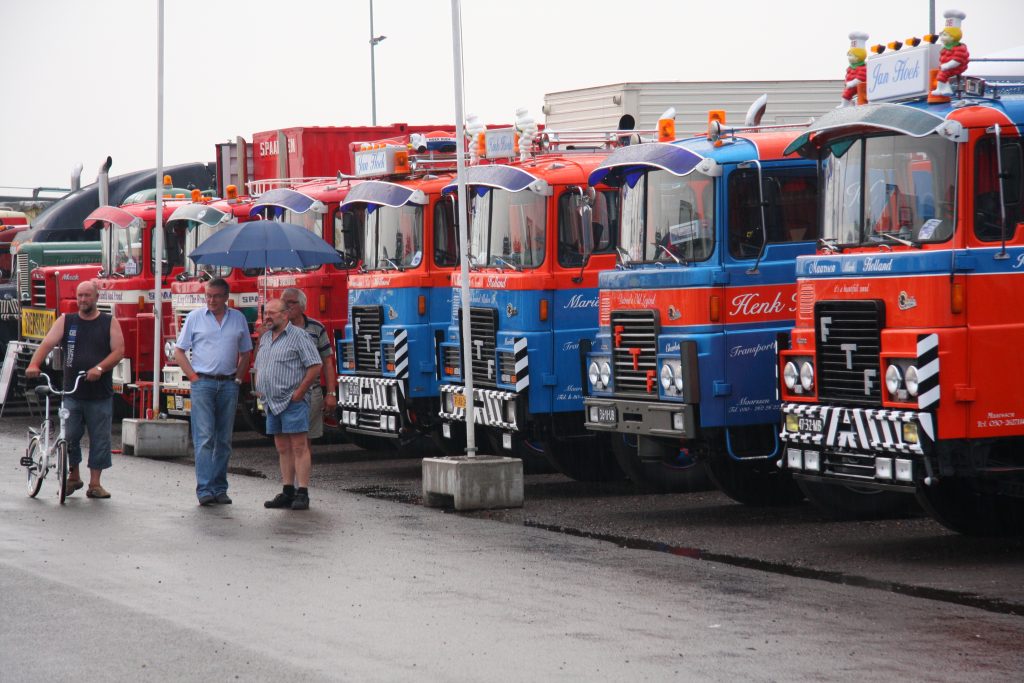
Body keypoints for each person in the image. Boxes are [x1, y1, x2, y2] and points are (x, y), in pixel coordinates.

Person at [25, 280, 124, 499]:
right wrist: (34, 364)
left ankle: (95, 484)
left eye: (87, 295)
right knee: (68, 435)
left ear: (97, 297)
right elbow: (47, 344)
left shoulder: (109, 322)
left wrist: (100, 368)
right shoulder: (66, 321)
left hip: (100, 394)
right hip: (72, 392)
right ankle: (74, 476)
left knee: (100, 438)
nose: (83, 300)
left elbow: (118, 351)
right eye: (79, 296)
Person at [174, 278, 252, 506]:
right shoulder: (194, 318)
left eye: (216, 296)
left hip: (228, 384)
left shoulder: (237, 318)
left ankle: (220, 488)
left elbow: (246, 352)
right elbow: (179, 351)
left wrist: (238, 378)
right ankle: (205, 489)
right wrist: (194, 378)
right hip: (203, 384)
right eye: (207, 296)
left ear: (226, 297)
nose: (211, 300)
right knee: (205, 437)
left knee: (224, 440)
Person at [255, 299, 322, 511]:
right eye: (266, 313)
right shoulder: (266, 338)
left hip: (293, 400)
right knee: (282, 447)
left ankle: (303, 492)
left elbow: (315, 365)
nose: (268, 317)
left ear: (285, 315)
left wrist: (300, 392)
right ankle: (287, 490)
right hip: (271, 401)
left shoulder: (299, 336)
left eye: (272, 313)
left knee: (299, 446)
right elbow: (261, 365)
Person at [280, 287, 337, 444]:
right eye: (284, 302)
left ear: (303, 306)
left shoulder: (316, 328)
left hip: (311, 393)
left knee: (304, 442)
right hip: (282, 393)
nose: (287, 306)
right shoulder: (275, 328)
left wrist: (331, 394)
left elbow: (327, 362)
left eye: (292, 302)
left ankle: (303, 469)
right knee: (285, 442)